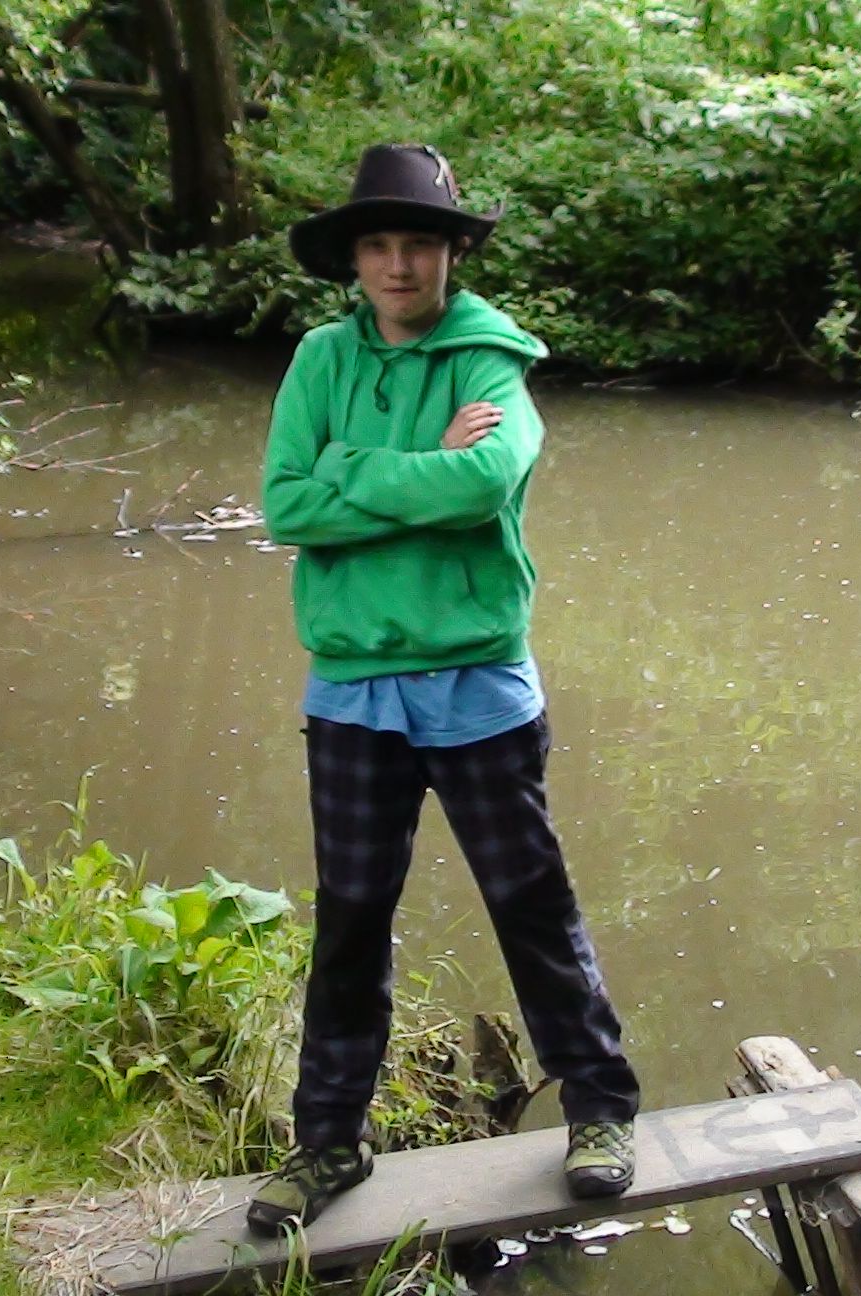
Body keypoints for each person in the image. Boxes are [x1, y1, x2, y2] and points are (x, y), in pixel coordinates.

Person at [248, 143, 641, 1234]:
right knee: (350, 922)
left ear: (451, 253)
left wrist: (349, 468)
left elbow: (482, 484)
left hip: (477, 685)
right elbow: (286, 504)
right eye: (377, 244)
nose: (397, 264)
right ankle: (329, 1144)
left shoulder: (490, 360)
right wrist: (411, 463)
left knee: (531, 905)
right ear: (354, 259)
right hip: (353, 692)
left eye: (417, 243)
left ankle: (600, 1111)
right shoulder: (321, 359)